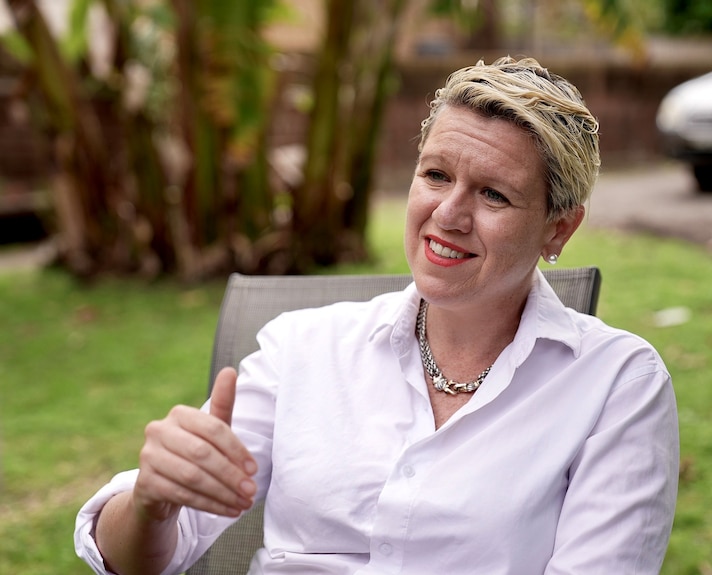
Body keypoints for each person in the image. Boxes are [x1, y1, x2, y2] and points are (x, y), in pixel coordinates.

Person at [75, 56, 679, 575]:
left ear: (558, 227)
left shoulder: (617, 384)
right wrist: (153, 503)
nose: (449, 214)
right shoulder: (302, 348)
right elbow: (145, 557)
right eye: (436, 175)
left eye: (494, 194)